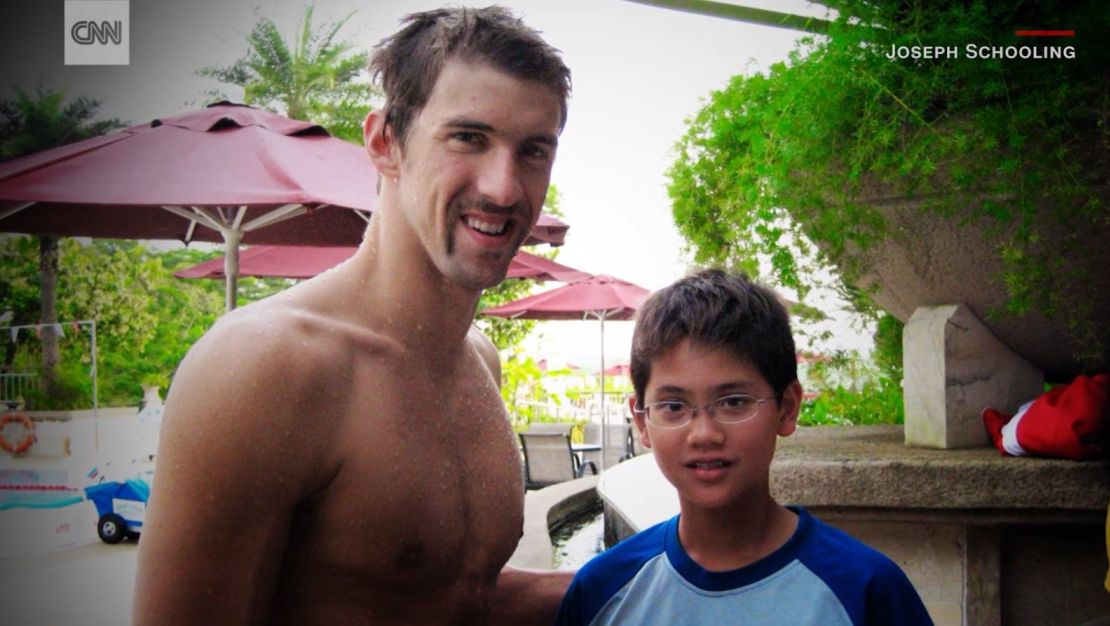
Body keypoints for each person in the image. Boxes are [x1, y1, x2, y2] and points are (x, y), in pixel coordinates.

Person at [134, 6, 573, 625]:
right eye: (468, 138)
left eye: (532, 150)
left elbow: (447, 595)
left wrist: (670, 570)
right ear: (384, 142)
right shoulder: (265, 366)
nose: (504, 188)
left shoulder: (479, 360)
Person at [555, 269, 933, 626]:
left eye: (734, 402)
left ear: (787, 408)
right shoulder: (601, 591)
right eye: (673, 407)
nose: (704, 433)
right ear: (642, 422)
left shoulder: (867, 591)